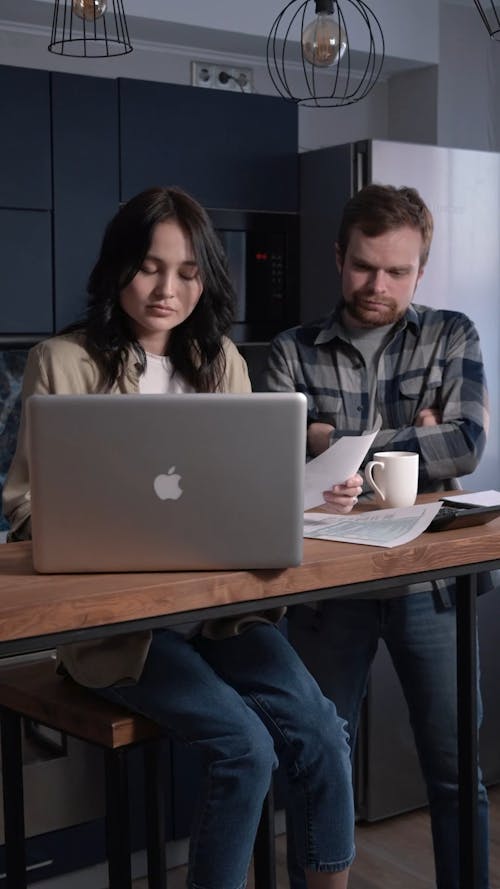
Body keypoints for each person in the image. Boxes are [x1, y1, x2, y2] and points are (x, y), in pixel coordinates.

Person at [3, 185, 363, 889]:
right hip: (124, 628)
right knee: (245, 747)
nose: (168, 289)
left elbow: (244, 489)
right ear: (117, 268)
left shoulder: (223, 360)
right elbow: (24, 508)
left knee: (322, 731)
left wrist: (306, 492)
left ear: (207, 278)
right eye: (149, 266)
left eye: (188, 271)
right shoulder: (63, 360)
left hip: (221, 613)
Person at [264, 183, 491, 889]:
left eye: (398, 271)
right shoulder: (291, 349)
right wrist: (411, 438)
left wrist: (334, 440)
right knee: (317, 767)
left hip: (433, 585)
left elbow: (466, 445)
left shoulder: (453, 333)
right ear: (339, 257)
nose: (378, 284)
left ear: (421, 269)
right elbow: (269, 458)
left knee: (457, 773)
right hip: (327, 588)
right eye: (364, 266)